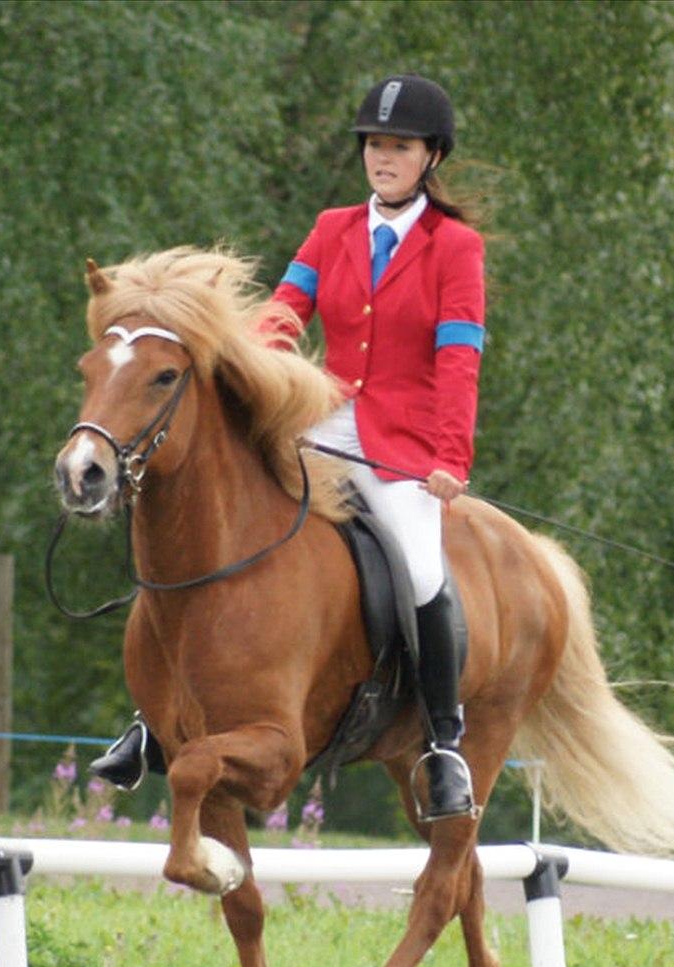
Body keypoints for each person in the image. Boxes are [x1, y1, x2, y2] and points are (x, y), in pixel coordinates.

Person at [91, 73, 485, 822]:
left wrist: (449, 455)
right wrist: (257, 372)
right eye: (374, 145)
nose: (382, 158)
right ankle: (154, 717)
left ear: (431, 156)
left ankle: (443, 740)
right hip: (321, 417)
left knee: (425, 568)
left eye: (398, 147)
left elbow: (458, 356)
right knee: (216, 514)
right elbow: (285, 310)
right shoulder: (333, 227)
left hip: (401, 442)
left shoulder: (454, 248)